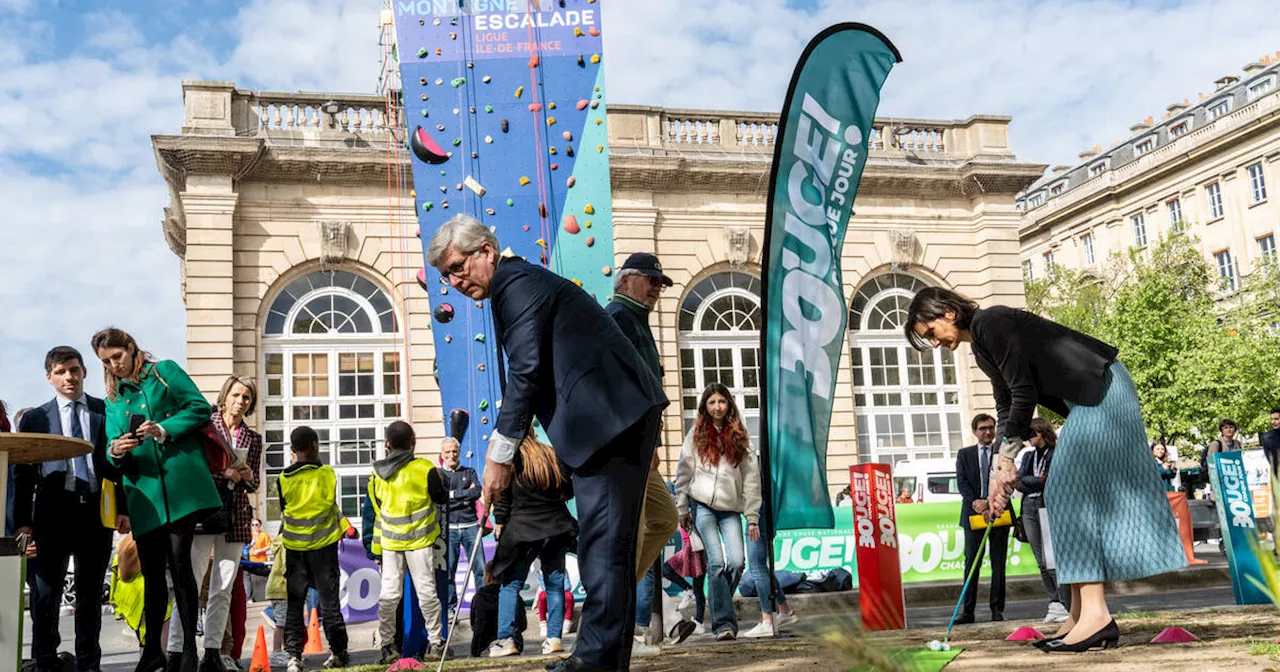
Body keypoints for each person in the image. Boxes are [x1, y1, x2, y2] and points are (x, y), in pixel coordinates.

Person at [427, 214, 668, 672]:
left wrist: (502, 454)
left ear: (486, 252)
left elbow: (526, 371)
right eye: (445, 276)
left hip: (611, 424)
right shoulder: (516, 285)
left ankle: (594, 662)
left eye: (458, 267)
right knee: (609, 547)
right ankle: (601, 660)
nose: (454, 281)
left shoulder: (515, 284)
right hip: (609, 423)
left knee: (604, 547)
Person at [906, 288, 1185, 653]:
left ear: (947, 312)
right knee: (1061, 495)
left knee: (1067, 494)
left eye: (930, 333)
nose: (934, 343)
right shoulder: (981, 344)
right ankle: (1079, 615)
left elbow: (1024, 392)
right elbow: (1006, 404)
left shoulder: (992, 322)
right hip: (1088, 399)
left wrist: (1007, 458)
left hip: (1103, 390)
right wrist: (998, 468)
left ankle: (1096, 617)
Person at [94, 328, 223, 672]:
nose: (114, 366)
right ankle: (152, 651)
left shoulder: (164, 372)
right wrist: (116, 449)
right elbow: (110, 443)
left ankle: (190, 654)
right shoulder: (113, 400)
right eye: (106, 362)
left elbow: (199, 407)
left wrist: (164, 428)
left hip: (179, 489)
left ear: (132, 348)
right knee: (151, 575)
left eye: (117, 356)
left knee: (181, 567)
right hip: (144, 494)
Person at [13, 346, 130, 672]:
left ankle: (88, 665)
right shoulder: (35, 418)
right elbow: (22, 473)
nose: (69, 377)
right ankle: (45, 661)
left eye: (75, 370)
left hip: (95, 515)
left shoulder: (104, 411)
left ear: (84, 373)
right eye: (62, 372)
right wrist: (21, 523)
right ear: (49, 377)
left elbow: (116, 466)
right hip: (51, 517)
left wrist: (123, 509)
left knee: (91, 598)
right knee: (45, 598)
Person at [606, 253, 687, 646]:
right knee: (634, 533)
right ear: (625, 281)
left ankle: (614, 599)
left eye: (661, 283)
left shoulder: (635, 319)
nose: (657, 288)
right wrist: (647, 441)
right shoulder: (619, 318)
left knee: (665, 519)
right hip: (629, 446)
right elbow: (625, 389)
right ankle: (612, 613)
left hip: (641, 445)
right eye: (651, 280)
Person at [167, 375, 262, 671]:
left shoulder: (253, 439)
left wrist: (246, 476)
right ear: (225, 396)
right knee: (190, 582)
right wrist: (224, 475)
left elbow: (255, 482)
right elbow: (191, 469)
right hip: (202, 512)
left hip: (235, 515)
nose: (240, 401)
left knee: (223, 586)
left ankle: (212, 652)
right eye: (236, 395)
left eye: (246, 397)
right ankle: (176, 650)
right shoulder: (205, 428)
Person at [673, 383, 761, 642]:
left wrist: (752, 514)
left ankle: (718, 601)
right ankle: (724, 624)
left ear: (728, 404)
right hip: (702, 506)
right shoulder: (696, 434)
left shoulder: (739, 435)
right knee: (715, 563)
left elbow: (751, 478)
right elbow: (683, 471)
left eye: (721, 402)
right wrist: (682, 506)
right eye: (712, 402)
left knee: (736, 562)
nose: (717, 407)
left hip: (731, 508)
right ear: (705, 406)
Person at [487, 432, 577, 658]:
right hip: (555, 526)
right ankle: (554, 638)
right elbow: (568, 489)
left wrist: (499, 520)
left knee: (510, 585)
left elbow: (502, 495)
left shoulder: (511, 459)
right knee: (555, 584)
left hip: (522, 529)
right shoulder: (550, 454)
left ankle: (506, 640)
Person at [368, 421, 450, 664]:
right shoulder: (425, 468)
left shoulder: (377, 474)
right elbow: (441, 498)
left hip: (391, 544)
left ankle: (387, 647)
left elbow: (377, 509)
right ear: (414, 444)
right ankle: (435, 643)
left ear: (388, 445)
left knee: (389, 596)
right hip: (420, 542)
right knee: (427, 594)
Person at [277, 425, 356, 671]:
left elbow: (284, 508)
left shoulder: (283, 478)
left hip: (295, 549)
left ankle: (294, 656)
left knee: (294, 603)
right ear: (315, 446)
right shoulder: (327, 474)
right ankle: (338, 653)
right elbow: (331, 505)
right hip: (323, 548)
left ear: (292, 450)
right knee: (330, 602)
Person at [953, 413, 1007, 624]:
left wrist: (989, 501)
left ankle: (997, 610)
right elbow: (962, 482)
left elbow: (1007, 481)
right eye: (983, 428)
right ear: (975, 431)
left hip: (999, 512)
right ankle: (968, 611)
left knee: (998, 564)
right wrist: (978, 502)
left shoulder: (1002, 454)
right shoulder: (964, 454)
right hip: (973, 515)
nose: (987, 432)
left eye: (991, 428)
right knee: (972, 564)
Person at [1017, 418, 1068, 625]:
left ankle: (1066, 602)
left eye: (1032, 434)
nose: (1029, 439)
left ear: (1042, 433)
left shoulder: (1056, 453)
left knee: (1052, 558)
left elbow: (1054, 479)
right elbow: (1019, 481)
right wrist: (1038, 481)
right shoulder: (1029, 456)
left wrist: (1035, 481)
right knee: (1040, 560)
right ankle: (1054, 601)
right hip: (1029, 506)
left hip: (1048, 506)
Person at [439, 437, 486, 611]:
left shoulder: (469, 471)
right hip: (449, 528)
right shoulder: (439, 475)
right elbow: (440, 499)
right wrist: (464, 495)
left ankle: (482, 607)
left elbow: (477, 491)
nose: (451, 455)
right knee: (449, 571)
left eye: (454, 451)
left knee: (480, 568)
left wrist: (451, 496)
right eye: (448, 452)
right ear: (442, 454)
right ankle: (451, 608)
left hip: (471, 526)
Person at [742, 506, 798, 638]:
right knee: (760, 567)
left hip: (755, 513)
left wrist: (752, 521)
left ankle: (767, 620)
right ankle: (785, 610)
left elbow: (752, 490)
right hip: (758, 512)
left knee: (757, 567)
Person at [469, 562, 526, 658]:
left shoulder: (479, 597)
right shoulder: (513, 596)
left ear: (487, 576)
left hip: (481, 645)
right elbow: (523, 624)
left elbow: (473, 624)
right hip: (514, 643)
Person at [662, 528, 706, 632]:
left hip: (697, 547)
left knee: (698, 587)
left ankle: (699, 622)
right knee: (666, 569)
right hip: (687, 546)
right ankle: (688, 589)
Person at [1262, 407, 1280, 478]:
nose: (1273, 422)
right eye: (1272, 419)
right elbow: (1270, 459)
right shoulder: (1267, 437)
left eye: (1276, 419)